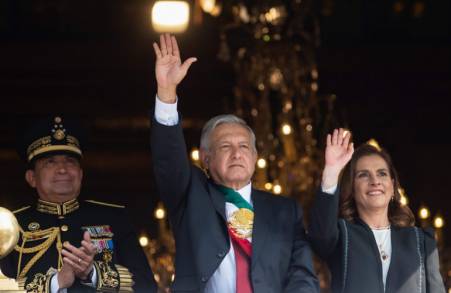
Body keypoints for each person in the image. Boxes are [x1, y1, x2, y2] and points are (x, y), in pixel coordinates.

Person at [150, 33, 319, 293]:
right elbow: (168, 159)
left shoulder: (286, 211)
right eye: (225, 147)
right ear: (206, 158)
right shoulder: (190, 194)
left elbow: (303, 276)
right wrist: (166, 92)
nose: (237, 154)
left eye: (244, 147)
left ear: (254, 157)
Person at [0, 116, 157, 293]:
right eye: (50, 162)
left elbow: (147, 286)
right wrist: (55, 283)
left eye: (70, 161)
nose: (62, 169)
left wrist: (93, 273)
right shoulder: (11, 225)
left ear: (80, 174)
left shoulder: (113, 218)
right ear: (32, 178)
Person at [308, 128, 445, 293]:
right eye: (363, 175)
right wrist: (332, 171)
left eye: (382, 174)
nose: (375, 181)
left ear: (392, 185)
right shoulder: (341, 237)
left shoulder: (421, 241)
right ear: (351, 188)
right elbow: (320, 236)